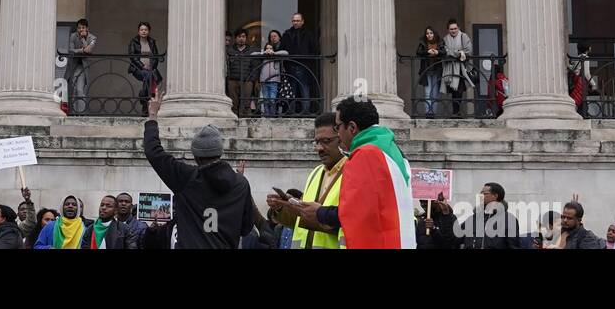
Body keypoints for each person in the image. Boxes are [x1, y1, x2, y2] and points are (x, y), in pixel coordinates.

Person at [293, 97, 415, 249]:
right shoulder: (394, 151)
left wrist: (319, 212)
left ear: (352, 127)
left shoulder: (364, 155)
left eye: (338, 127)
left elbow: (354, 214)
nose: (338, 134)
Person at [142, 94, 254, 248]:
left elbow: (153, 152)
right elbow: (246, 228)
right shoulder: (240, 183)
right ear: (220, 152)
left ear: (195, 155)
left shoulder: (186, 177)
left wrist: (153, 116)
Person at [267, 114, 347, 249]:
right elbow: (299, 222)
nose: (319, 148)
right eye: (317, 142)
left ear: (341, 139)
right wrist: (284, 207)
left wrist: (317, 215)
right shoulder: (315, 173)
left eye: (326, 141)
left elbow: (350, 222)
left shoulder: (353, 172)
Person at [279, 13, 320, 112]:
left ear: (302, 21)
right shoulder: (287, 34)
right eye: (294, 21)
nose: (295, 23)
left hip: (304, 66)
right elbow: (282, 49)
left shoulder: (309, 34)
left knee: (304, 88)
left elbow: (314, 49)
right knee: (291, 89)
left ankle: (306, 111)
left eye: (297, 21)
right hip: (290, 65)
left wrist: (309, 60)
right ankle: (291, 112)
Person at [128, 22, 162, 116]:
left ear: (149, 31)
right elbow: (132, 56)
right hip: (137, 69)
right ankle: (146, 102)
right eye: (142, 30)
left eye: (146, 30)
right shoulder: (134, 41)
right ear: (138, 31)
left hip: (150, 70)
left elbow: (155, 56)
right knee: (149, 77)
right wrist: (142, 66)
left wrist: (152, 66)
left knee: (148, 78)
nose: (144, 31)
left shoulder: (152, 41)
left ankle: (144, 99)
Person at [252, 34, 289, 118]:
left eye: (270, 48)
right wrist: (263, 53)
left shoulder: (277, 55)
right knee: (265, 100)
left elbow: (286, 53)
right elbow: (253, 54)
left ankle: (272, 116)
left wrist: (274, 53)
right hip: (264, 81)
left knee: (272, 99)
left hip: (274, 81)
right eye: (267, 48)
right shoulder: (263, 56)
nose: (269, 50)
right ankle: (267, 116)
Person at [441, 19, 472, 116]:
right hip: (449, 68)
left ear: (458, 28)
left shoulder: (464, 36)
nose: (453, 31)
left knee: (459, 91)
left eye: (455, 28)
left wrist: (453, 53)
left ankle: (457, 113)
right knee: (453, 92)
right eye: (451, 29)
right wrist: (458, 52)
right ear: (448, 30)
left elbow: (468, 50)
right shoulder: (445, 39)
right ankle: (455, 113)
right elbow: (444, 52)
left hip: (461, 69)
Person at [67, 18, 97, 115]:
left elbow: (89, 50)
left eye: (83, 28)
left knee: (80, 89)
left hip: (83, 67)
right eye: (79, 28)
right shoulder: (73, 36)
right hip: (73, 65)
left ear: (87, 28)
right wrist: (82, 50)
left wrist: (83, 39)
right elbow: (71, 50)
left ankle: (80, 113)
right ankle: (73, 112)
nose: (81, 30)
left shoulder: (92, 38)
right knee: (73, 90)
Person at [415, 26, 443, 117]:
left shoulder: (440, 42)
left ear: (434, 34)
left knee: (435, 93)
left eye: (431, 33)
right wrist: (428, 52)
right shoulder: (423, 42)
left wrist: (437, 52)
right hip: (426, 70)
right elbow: (418, 52)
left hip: (437, 70)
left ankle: (433, 113)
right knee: (427, 93)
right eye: (427, 33)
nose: (429, 35)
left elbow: (444, 52)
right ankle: (428, 113)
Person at [225, 29, 255, 117]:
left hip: (247, 81)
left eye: (243, 37)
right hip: (233, 80)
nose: (241, 39)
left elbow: (255, 67)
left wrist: (251, 79)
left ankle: (246, 124)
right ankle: (234, 122)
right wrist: (229, 78)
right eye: (239, 37)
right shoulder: (229, 51)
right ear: (235, 38)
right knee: (233, 103)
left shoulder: (251, 51)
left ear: (246, 38)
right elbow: (226, 64)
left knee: (246, 104)